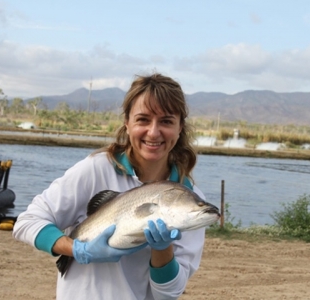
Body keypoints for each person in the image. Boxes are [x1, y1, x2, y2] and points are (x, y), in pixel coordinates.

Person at [13, 73, 207, 300]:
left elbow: (168, 294)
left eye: (166, 121)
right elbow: (26, 223)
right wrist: (77, 250)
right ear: (127, 123)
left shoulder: (190, 201)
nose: (153, 132)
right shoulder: (96, 169)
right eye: (143, 119)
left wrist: (162, 248)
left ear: (180, 127)